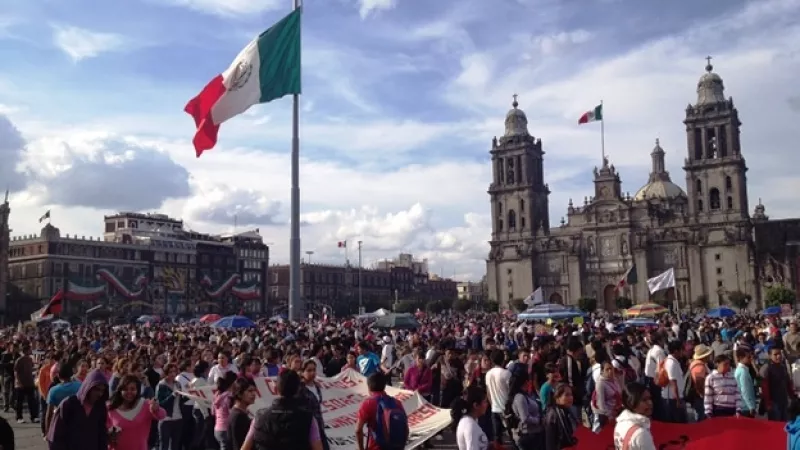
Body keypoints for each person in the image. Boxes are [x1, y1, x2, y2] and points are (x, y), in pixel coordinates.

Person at [241, 370, 322, 450]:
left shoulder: (259, 417)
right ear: (298, 390)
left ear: (276, 389)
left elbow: (245, 447)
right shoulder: (308, 419)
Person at [46, 369, 109, 450]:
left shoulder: (100, 407)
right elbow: (55, 435)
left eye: (102, 390)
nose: (99, 394)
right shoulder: (69, 404)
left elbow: (102, 436)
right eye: (96, 389)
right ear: (88, 387)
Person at [107, 374, 167, 450]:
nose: (129, 392)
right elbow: (105, 430)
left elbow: (162, 415)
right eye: (125, 389)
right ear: (120, 390)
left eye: (132, 389)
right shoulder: (110, 408)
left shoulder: (146, 404)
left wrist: (156, 409)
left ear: (138, 390)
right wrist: (109, 436)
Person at [614, 382, 656, 450]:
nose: (650, 403)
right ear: (631, 404)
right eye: (644, 400)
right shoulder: (641, 434)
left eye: (650, 398)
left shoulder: (620, 423)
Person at [155, 363, 186, 450]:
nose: (173, 374)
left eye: (174, 372)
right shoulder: (162, 385)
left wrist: (188, 395)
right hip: (166, 419)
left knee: (175, 445)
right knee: (164, 444)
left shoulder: (178, 384)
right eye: (170, 372)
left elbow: (181, 401)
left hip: (178, 418)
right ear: (166, 373)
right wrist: (173, 395)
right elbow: (161, 403)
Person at [485, 350, 511, 446]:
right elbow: (510, 391)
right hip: (506, 409)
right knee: (511, 434)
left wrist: (493, 404)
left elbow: (488, 392)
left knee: (497, 436)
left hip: (494, 408)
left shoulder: (488, 374)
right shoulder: (506, 373)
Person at [451, 385, 489, 450]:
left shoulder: (471, 420)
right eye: (485, 401)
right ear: (476, 405)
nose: (487, 404)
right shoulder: (470, 426)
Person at [543, 384, 578, 450]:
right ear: (557, 397)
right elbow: (550, 443)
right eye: (567, 395)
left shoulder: (568, 411)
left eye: (571, 395)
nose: (571, 397)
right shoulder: (552, 415)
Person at [228, 377, 257, 450]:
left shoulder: (240, 413)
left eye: (254, 390)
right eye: (250, 391)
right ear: (239, 394)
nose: (253, 394)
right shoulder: (238, 416)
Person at [14, 344, 38, 424]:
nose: (30, 351)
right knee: (19, 402)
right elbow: (16, 372)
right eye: (29, 350)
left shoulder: (30, 359)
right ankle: (19, 417)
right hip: (21, 384)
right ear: (25, 351)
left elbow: (31, 369)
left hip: (30, 383)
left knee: (31, 401)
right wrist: (19, 382)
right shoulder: (19, 360)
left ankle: (34, 417)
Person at [734, 348, 757, 417]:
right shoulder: (743, 371)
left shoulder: (741, 370)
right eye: (748, 357)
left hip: (743, 405)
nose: (750, 359)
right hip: (745, 407)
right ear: (741, 358)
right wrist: (751, 406)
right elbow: (745, 390)